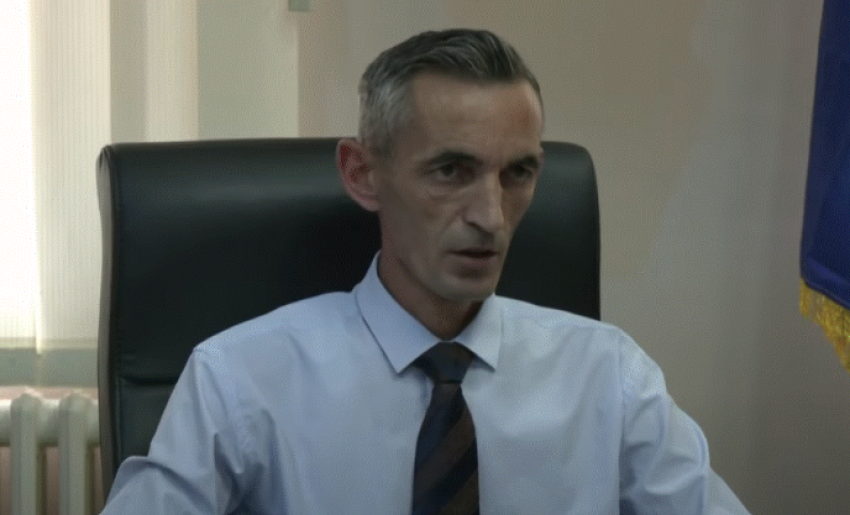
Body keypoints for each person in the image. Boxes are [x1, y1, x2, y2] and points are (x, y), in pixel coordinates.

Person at [100, 29, 751, 514]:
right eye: (451, 170)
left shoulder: (610, 377)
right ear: (362, 173)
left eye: (518, 173)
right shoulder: (242, 378)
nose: (491, 217)